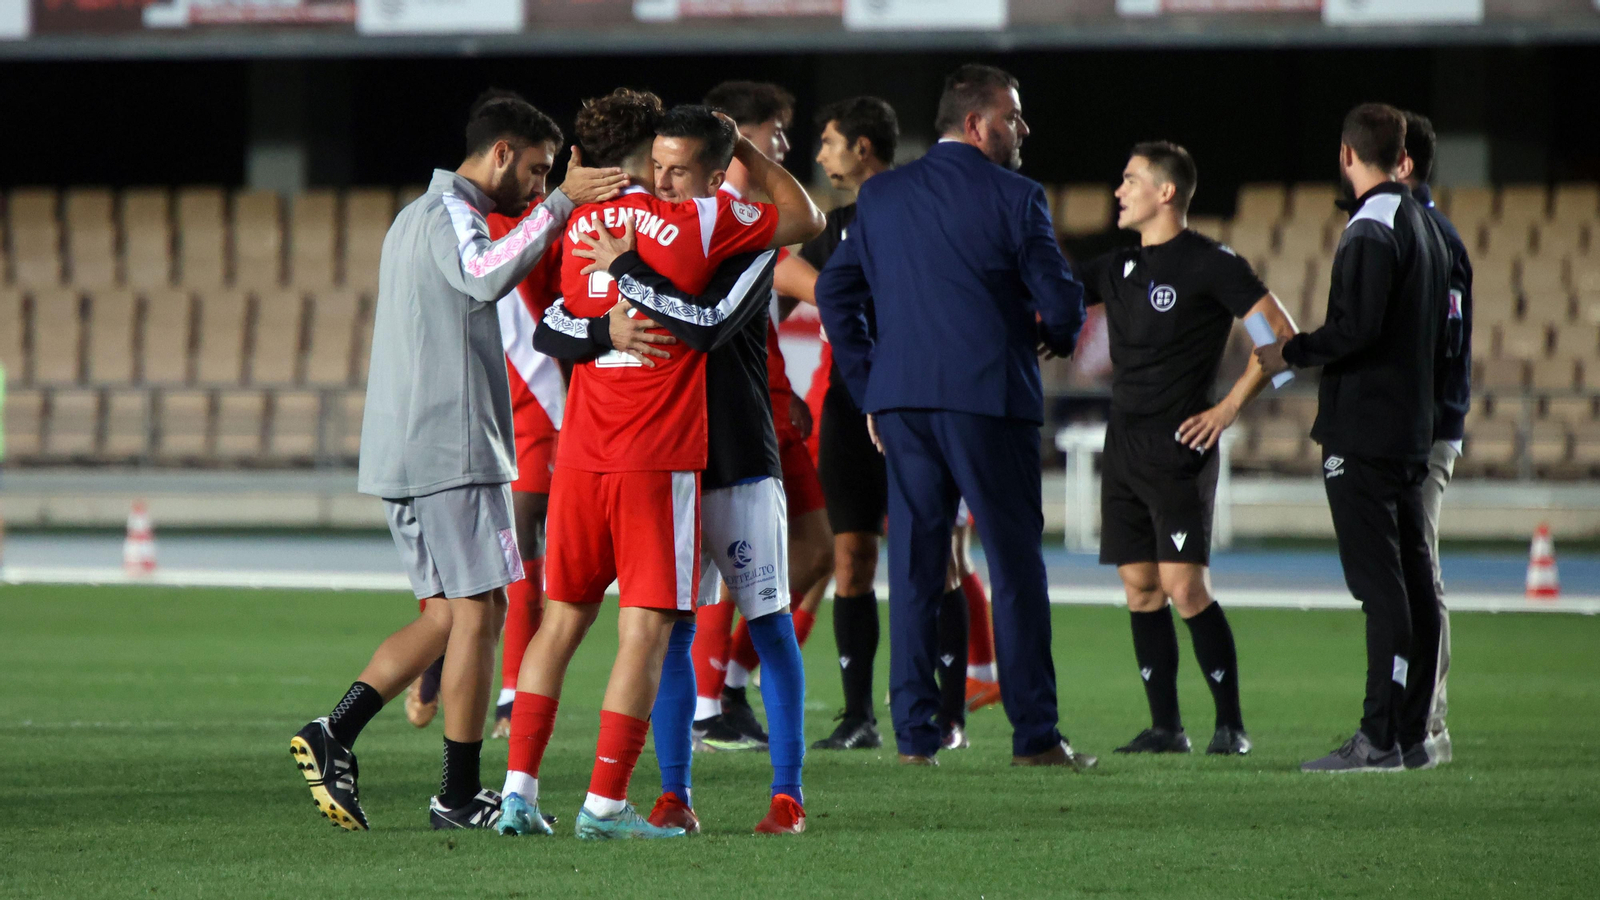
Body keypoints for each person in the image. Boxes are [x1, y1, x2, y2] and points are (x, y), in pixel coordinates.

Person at [288, 89, 625, 831]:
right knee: (484, 609)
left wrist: (550, 204)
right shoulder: (453, 215)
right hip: (451, 444)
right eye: (536, 170)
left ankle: (333, 731)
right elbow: (485, 275)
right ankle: (458, 794)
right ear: (501, 153)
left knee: (445, 615)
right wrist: (561, 207)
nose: (538, 186)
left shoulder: (412, 218)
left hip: (412, 447)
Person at [497, 90, 823, 839]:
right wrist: (606, 314)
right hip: (664, 463)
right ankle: (671, 793)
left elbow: (707, 323)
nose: (666, 182)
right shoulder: (653, 225)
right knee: (668, 630)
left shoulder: (739, 239)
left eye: (681, 170)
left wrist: (627, 273)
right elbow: (555, 325)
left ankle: (787, 792)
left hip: (733, 455)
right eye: (661, 167)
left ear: (714, 176)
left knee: (767, 623)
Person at [816, 64, 1092, 768]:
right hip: (990, 400)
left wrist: (870, 384)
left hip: (903, 404)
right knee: (1013, 565)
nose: (1023, 129)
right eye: (1014, 117)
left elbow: (834, 292)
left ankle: (915, 737)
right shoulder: (1018, 197)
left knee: (913, 568)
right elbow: (1062, 307)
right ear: (978, 124)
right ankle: (1034, 735)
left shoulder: (880, 200)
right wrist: (1051, 334)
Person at [789, 96, 998, 753]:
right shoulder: (833, 228)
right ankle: (859, 718)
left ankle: (949, 711)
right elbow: (778, 270)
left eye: (828, 142)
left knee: (941, 560)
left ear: (862, 148)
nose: (819, 155)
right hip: (852, 408)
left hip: (924, 399)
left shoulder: (927, 215)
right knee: (850, 558)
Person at [1080, 142, 1298, 756]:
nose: (1119, 191)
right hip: (1122, 446)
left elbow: (1280, 340)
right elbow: (1045, 300)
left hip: (1181, 448)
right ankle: (1166, 728)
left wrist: (1228, 410)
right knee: (1140, 587)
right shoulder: (1114, 267)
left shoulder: (1210, 265)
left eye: (1130, 180)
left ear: (1166, 192)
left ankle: (1231, 725)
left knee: (1184, 587)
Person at [1256, 103, 1452, 773]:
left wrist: (1294, 351)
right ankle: (1411, 734)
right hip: (1408, 432)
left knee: (1382, 586)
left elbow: (1357, 327)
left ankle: (1379, 739)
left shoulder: (1372, 225)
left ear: (1346, 154)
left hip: (1366, 431)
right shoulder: (1426, 225)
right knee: (1413, 582)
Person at [686, 80, 836, 751]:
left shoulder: (745, 213)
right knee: (736, 566)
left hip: (769, 402)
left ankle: (726, 689)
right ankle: (711, 702)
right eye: (773, 131)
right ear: (738, 135)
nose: (784, 144)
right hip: (740, 418)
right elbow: (787, 274)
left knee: (812, 552)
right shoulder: (725, 217)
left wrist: (789, 388)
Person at [402, 198, 567, 739]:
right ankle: (502, 691)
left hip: (508, 403)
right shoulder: (526, 223)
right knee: (506, 551)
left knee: (504, 550)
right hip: (525, 400)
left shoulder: (449, 221)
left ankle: (492, 684)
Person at [1397, 110, 1471, 767]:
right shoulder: (1423, 231)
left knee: (1420, 570)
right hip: (1418, 426)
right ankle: (1417, 713)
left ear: (1403, 165)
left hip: (1424, 430)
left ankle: (1428, 720)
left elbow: (1443, 346)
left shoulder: (1434, 238)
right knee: (1411, 568)